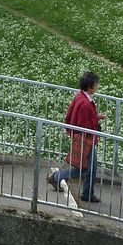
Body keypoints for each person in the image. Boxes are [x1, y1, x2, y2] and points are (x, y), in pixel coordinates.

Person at [47, 71, 106, 202]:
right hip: (86, 139)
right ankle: (85, 192)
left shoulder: (79, 97)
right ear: (90, 87)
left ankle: (59, 178)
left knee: (85, 168)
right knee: (89, 168)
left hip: (81, 138)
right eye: (96, 84)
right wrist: (97, 118)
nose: (97, 86)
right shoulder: (86, 103)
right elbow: (84, 124)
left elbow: (70, 115)